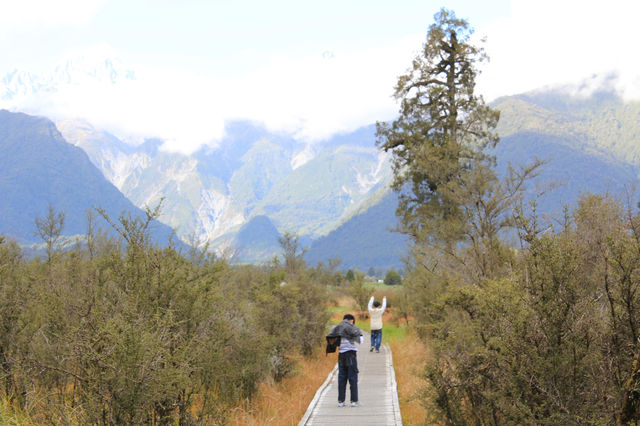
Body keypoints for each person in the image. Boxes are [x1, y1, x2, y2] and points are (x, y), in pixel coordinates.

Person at [326, 313, 363, 407]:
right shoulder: (351, 327)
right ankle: (354, 401)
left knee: (342, 378)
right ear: (351, 320)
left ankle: (341, 401)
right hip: (351, 354)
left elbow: (332, 338)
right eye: (353, 322)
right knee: (353, 377)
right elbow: (361, 341)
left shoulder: (337, 327)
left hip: (341, 355)